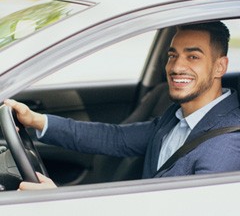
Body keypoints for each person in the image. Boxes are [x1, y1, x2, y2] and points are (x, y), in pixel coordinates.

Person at [5, 21, 240, 190]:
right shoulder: (178, 117)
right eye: (172, 55)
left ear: (220, 67)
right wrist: (36, 120)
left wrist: (57, 204)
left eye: (193, 57)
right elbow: (115, 138)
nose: (176, 67)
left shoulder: (225, 147)